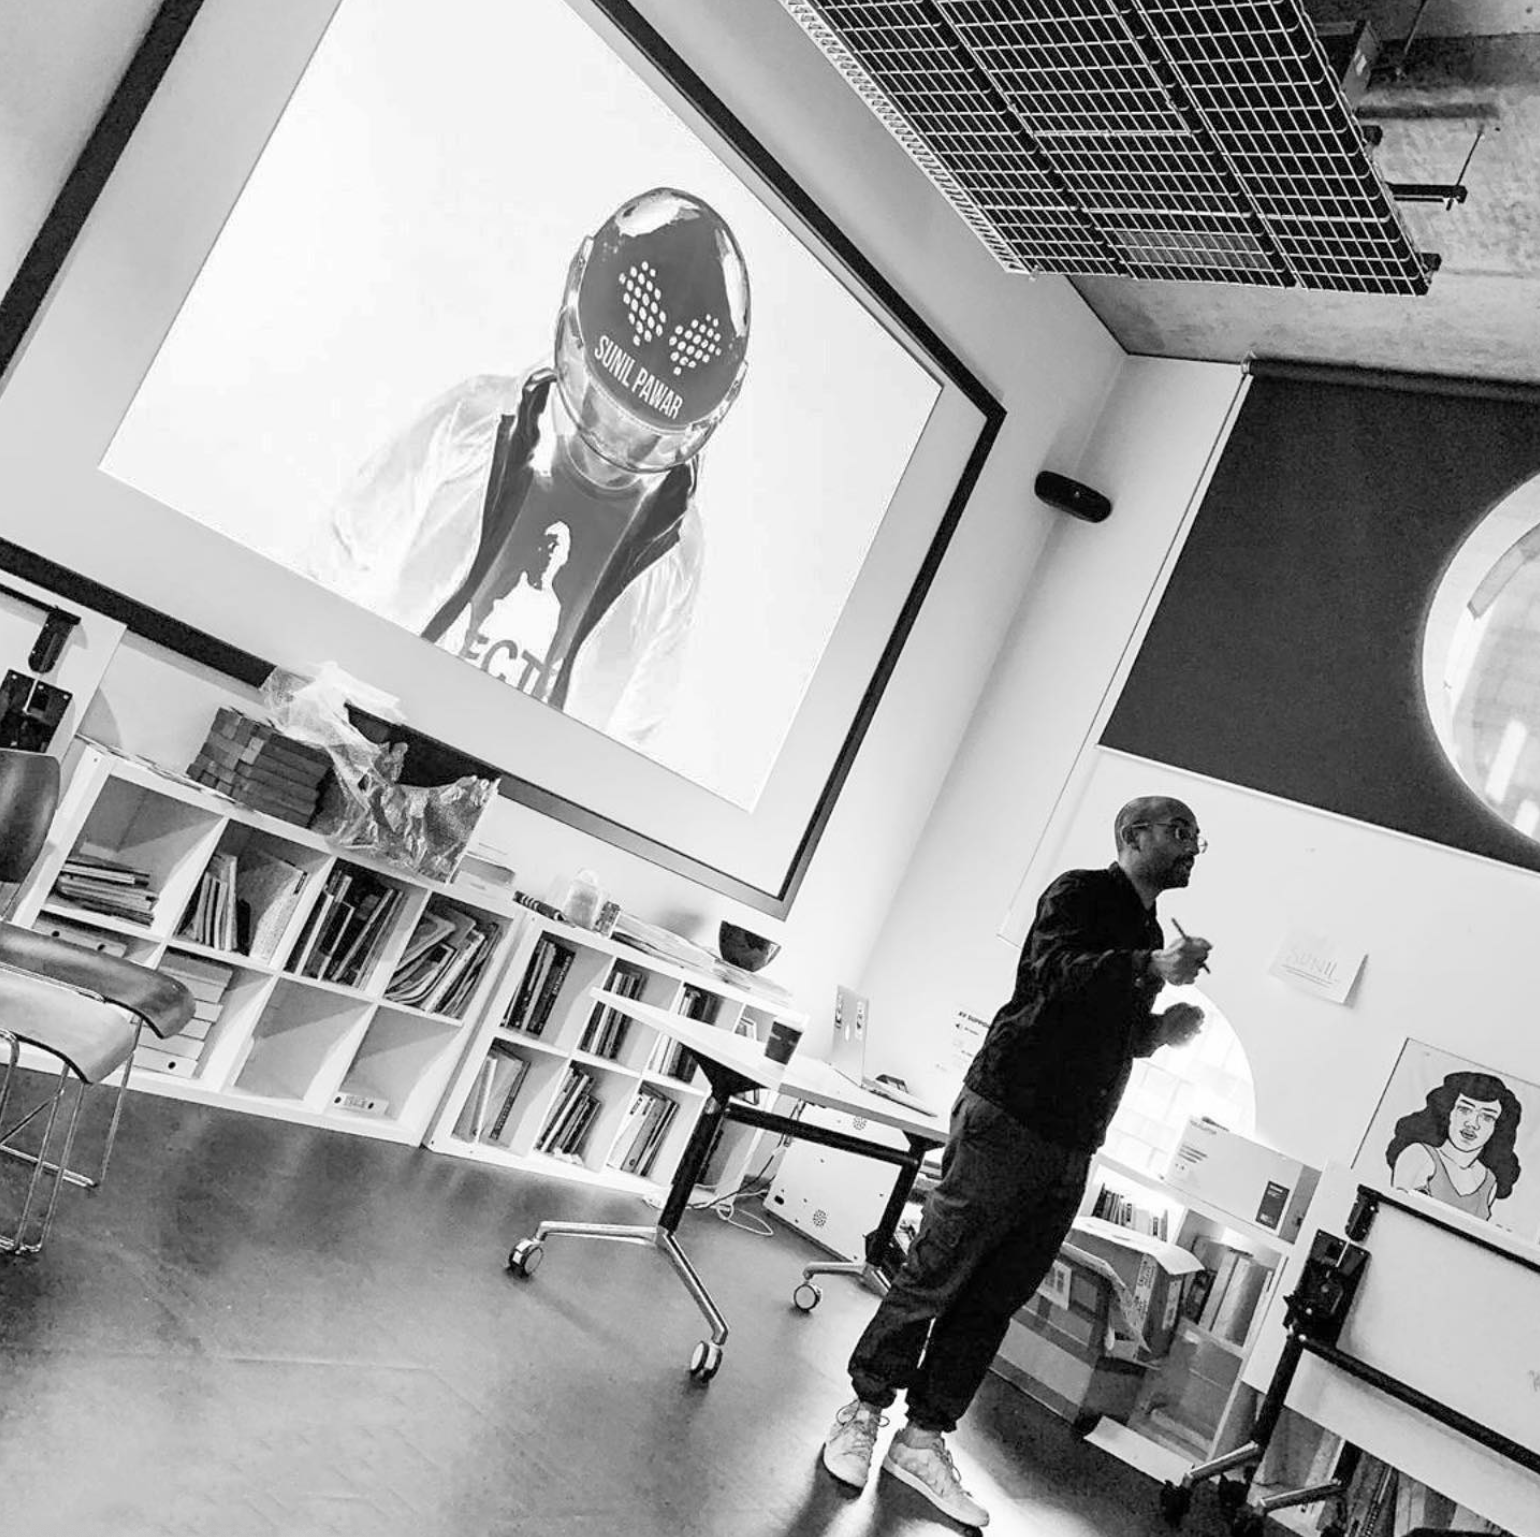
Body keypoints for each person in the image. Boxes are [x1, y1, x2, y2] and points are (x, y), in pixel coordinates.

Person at [822, 796, 1212, 1528]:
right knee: (937, 1269)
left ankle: (923, 1436)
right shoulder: (1079, 893)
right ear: (1133, 836)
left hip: (1070, 1145)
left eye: (1197, 836)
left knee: (994, 1296)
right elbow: (1052, 976)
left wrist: (1161, 1030)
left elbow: (1108, 1031)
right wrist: (1148, 966)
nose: (1194, 845)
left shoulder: (1148, 927)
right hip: (1008, 1115)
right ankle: (861, 1410)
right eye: (1181, 831)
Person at [304, 186, 751, 751]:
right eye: (598, 402)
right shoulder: (474, 422)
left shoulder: (676, 548)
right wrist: (312, 721)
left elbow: (631, 739)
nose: (609, 443)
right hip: (373, 736)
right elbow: (338, 560)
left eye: (641, 435)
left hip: (513, 795)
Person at [1384, 1069, 1522, 1221]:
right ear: (1447, 1111)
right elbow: (1392, 1218)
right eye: (1464, 1109)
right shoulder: (1419, 1156)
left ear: (1498, 1127)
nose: (1472, 1124)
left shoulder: (1490, 1182)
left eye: (1487, 1117)